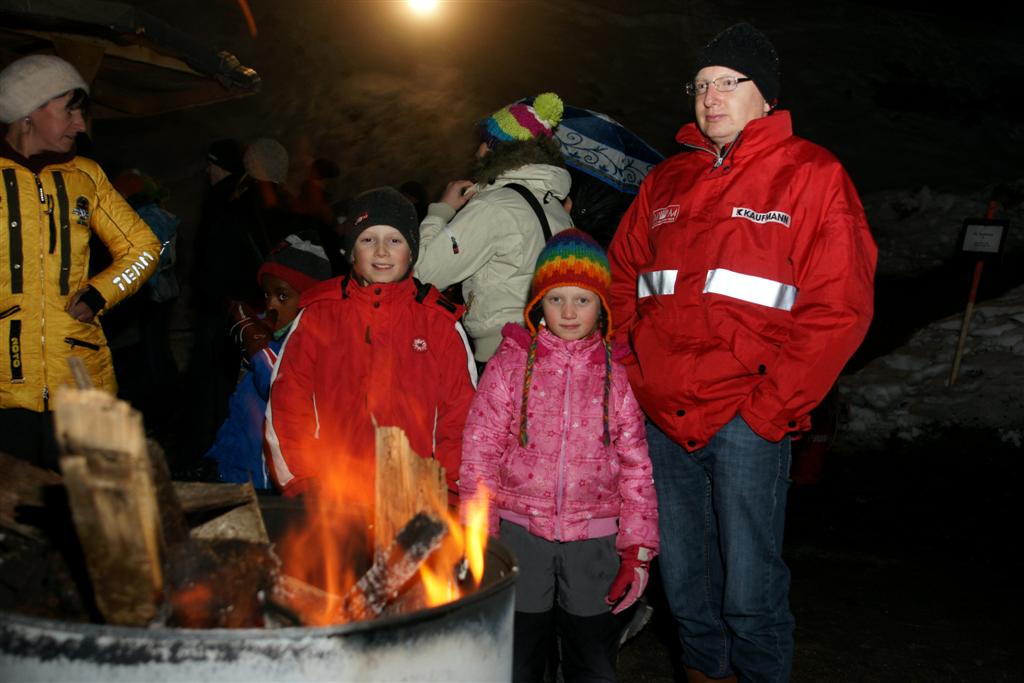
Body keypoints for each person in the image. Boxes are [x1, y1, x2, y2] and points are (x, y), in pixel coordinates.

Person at [607, 23, 877, 682]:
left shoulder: (812, 175)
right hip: (663, 419)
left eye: (729, 81)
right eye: (701, 84)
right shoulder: (666, 181)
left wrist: (768, 409)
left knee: (750, 596)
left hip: (746, 418)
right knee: (687, 592)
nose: (711, 96)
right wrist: (633, 374)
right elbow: (619, 283)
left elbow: (839, 307)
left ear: (767, 95)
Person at [460, 229, 659, 682]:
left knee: (591, 658)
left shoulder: (617, 374)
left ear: (601, 306)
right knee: (517, 657)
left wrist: (637, 551)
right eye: (556, 299)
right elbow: (479, 455)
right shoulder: (510, 364)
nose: (569, 312)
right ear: (538, 303)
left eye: (582, 300)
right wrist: (478, 538)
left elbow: (637, 469)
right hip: (519, 534)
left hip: (595, 540)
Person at [0, 54, 160, 469]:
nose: (79, 125)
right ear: (29, 111)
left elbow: (143, 247)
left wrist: (98, 293)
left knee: (88, 501)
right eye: (69, 111)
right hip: (4, 390)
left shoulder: (86, 176)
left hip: (81, 381)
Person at [264, 187, 476, 499]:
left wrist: (451, 491)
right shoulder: (319, 316)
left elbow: (461, 418)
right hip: (333, 496)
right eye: (367, 240)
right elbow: (288, 404)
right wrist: (302, 483)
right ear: (351, 251)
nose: (381, 251)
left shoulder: (439, 324)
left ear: (412, 251)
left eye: (394, 240)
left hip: (415, 495)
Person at [415, 93, 573, 369]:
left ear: (500, 151)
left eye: (486, 142)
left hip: (502, 354)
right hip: (550, 352)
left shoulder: (494, 206)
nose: (478, 150)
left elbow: (424, 275)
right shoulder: (559, 212)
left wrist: (441, 210)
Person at [205, 233, 331, 489]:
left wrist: (257, 346)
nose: (271, 305)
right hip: (236, 474)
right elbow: (241, 410)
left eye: (282, 296)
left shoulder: (312, 345)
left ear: (311, 299)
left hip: (266, 484)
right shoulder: (271, 338)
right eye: (266, 295)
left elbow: (282, 390)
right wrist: (217, 457)